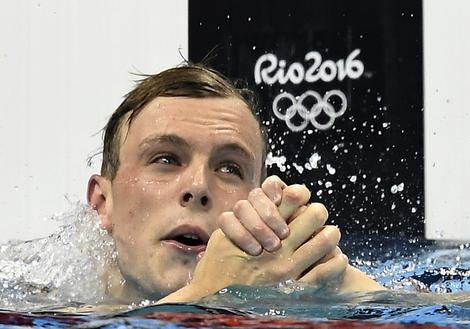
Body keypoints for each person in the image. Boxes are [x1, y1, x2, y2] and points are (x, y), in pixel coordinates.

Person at [86, 63, 383, 304]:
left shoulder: (292, 309)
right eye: (166, 159)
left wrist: (366, 297)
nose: (199, 186)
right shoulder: (46, 307)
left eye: (229, 168)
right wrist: (209, 293)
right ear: (102, 202)